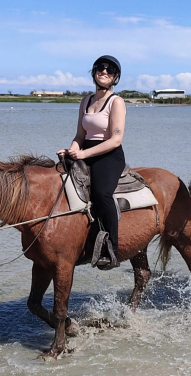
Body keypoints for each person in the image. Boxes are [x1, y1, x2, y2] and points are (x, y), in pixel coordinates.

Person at [57, 55, 126, 269]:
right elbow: (80, 135)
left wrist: (84, 155)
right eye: (100, 68)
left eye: (110, 70)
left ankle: (111, 249)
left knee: (101, 193)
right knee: (57, 178)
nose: (104, 72)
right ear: (94, 72)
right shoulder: (86, 101)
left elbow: (116, 139)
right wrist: (72, 150)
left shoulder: (116, 102)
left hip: (108, 155)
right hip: (85, 150)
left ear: (115, 77)